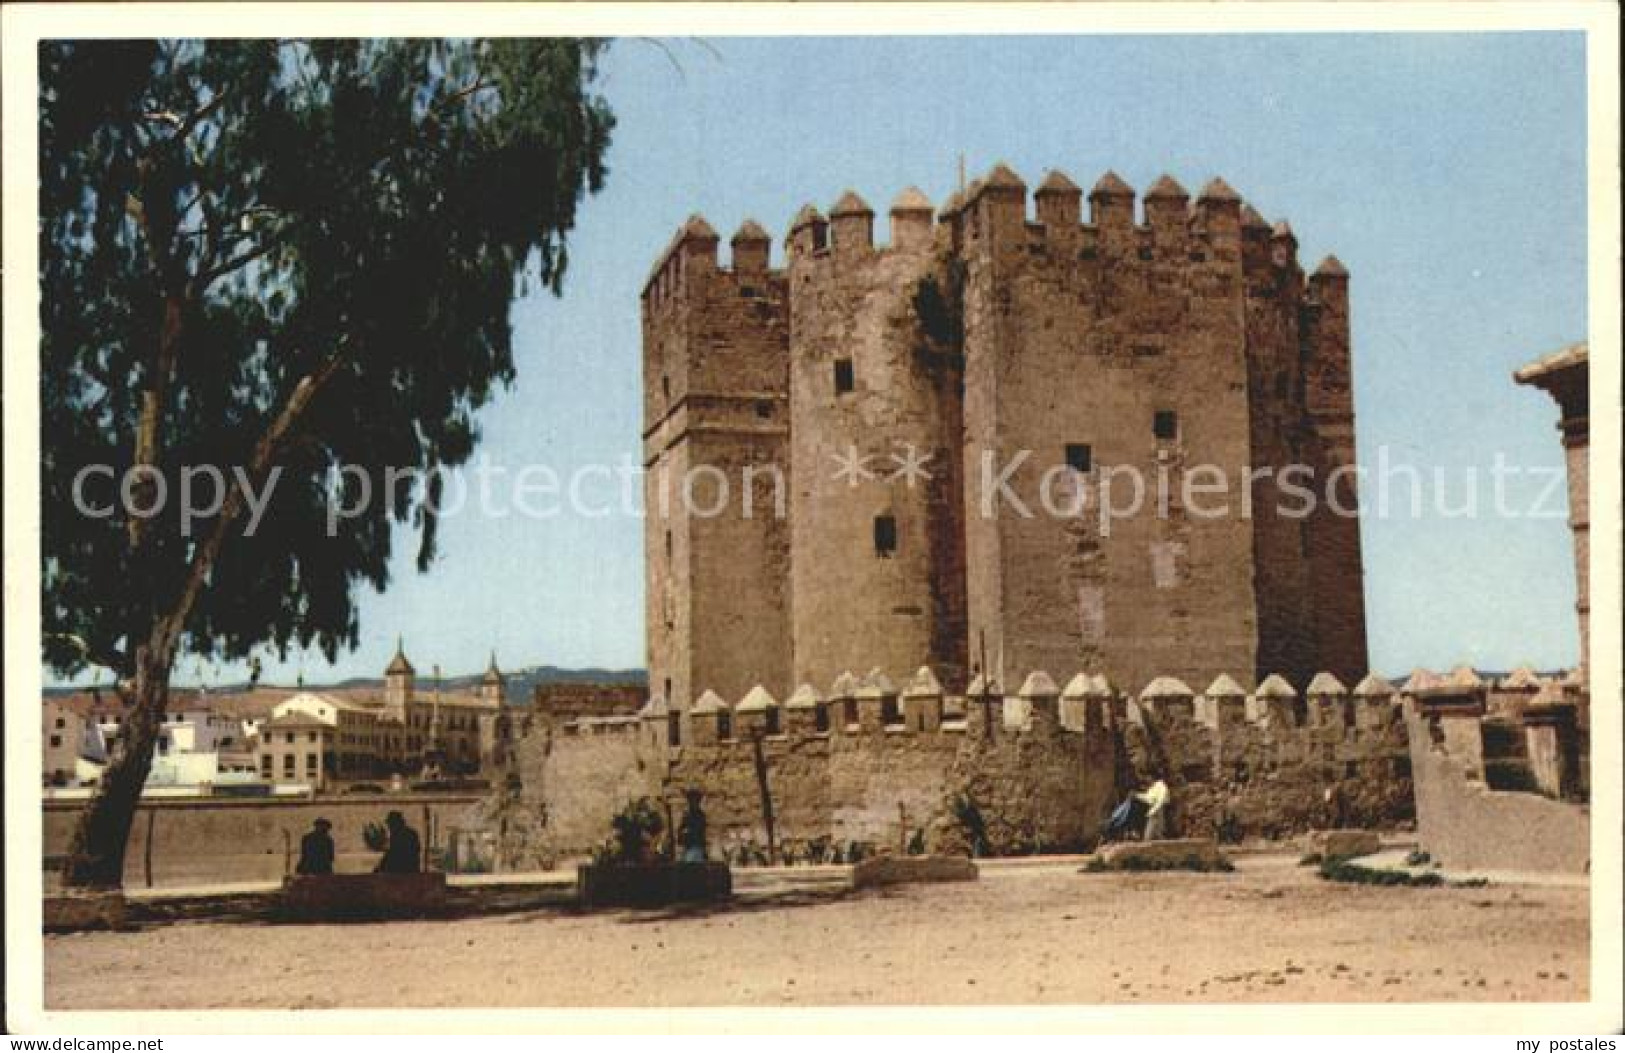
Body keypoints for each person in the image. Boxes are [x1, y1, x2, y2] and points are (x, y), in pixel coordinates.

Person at [676, 789, 709, 863]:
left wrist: (686, 831)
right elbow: (682, 828)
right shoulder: (687, 814)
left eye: (694, 800)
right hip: (688, 846)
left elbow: (697, 830)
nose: (691, 803)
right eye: (690, 800)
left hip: (695, 846)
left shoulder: (700, 815)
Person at [1136, 777, 1171, 841]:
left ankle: (1148, 840)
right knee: (1159, 828)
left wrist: (1137, 795)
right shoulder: (1157, 786)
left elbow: (1150, 799)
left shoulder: (1158, 786)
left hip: (1157, 809)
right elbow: (1149, 799)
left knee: (1151, 829)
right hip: (1158, 808)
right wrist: (1137, 795)